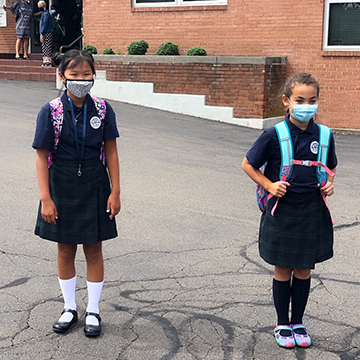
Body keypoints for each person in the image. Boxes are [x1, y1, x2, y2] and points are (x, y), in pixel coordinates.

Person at [242, 73, 337, 349]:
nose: (306, 105)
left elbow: (330, 169)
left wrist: (329, 184)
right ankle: (282, 323)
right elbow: (248, 164)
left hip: (312, 211)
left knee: (305, 271)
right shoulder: (273, 135)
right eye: (300, 100)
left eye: (312, 100)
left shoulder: (325, 135)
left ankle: (298, 322)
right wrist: (269, 184)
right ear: (287, 100)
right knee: (282, 269)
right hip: (282, 211)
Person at [32, 49, 121, 337]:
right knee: (65, 248)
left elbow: (111, 151)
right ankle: (70, 307)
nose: (81, 80)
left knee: (94, 249)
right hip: (62, 184)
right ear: (62, 76)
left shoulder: (103, 110)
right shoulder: (51, 111)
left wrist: (115, 191)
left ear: (93, 76)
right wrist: (46, 198)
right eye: (74, 75)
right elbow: (42, 156)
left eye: (86, 74)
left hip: (96, 183)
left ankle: (93, 310)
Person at [37, 1, 53, 67]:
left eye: (39, 6)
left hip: (47, 32)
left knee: (46, 46)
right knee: (45, 46)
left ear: (43, 6)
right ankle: (45, 61)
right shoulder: (44, 13)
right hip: (46, 32)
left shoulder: (46, 14)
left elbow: (45, 24)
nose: (38, 7)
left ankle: (47, 62)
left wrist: (42, 33)